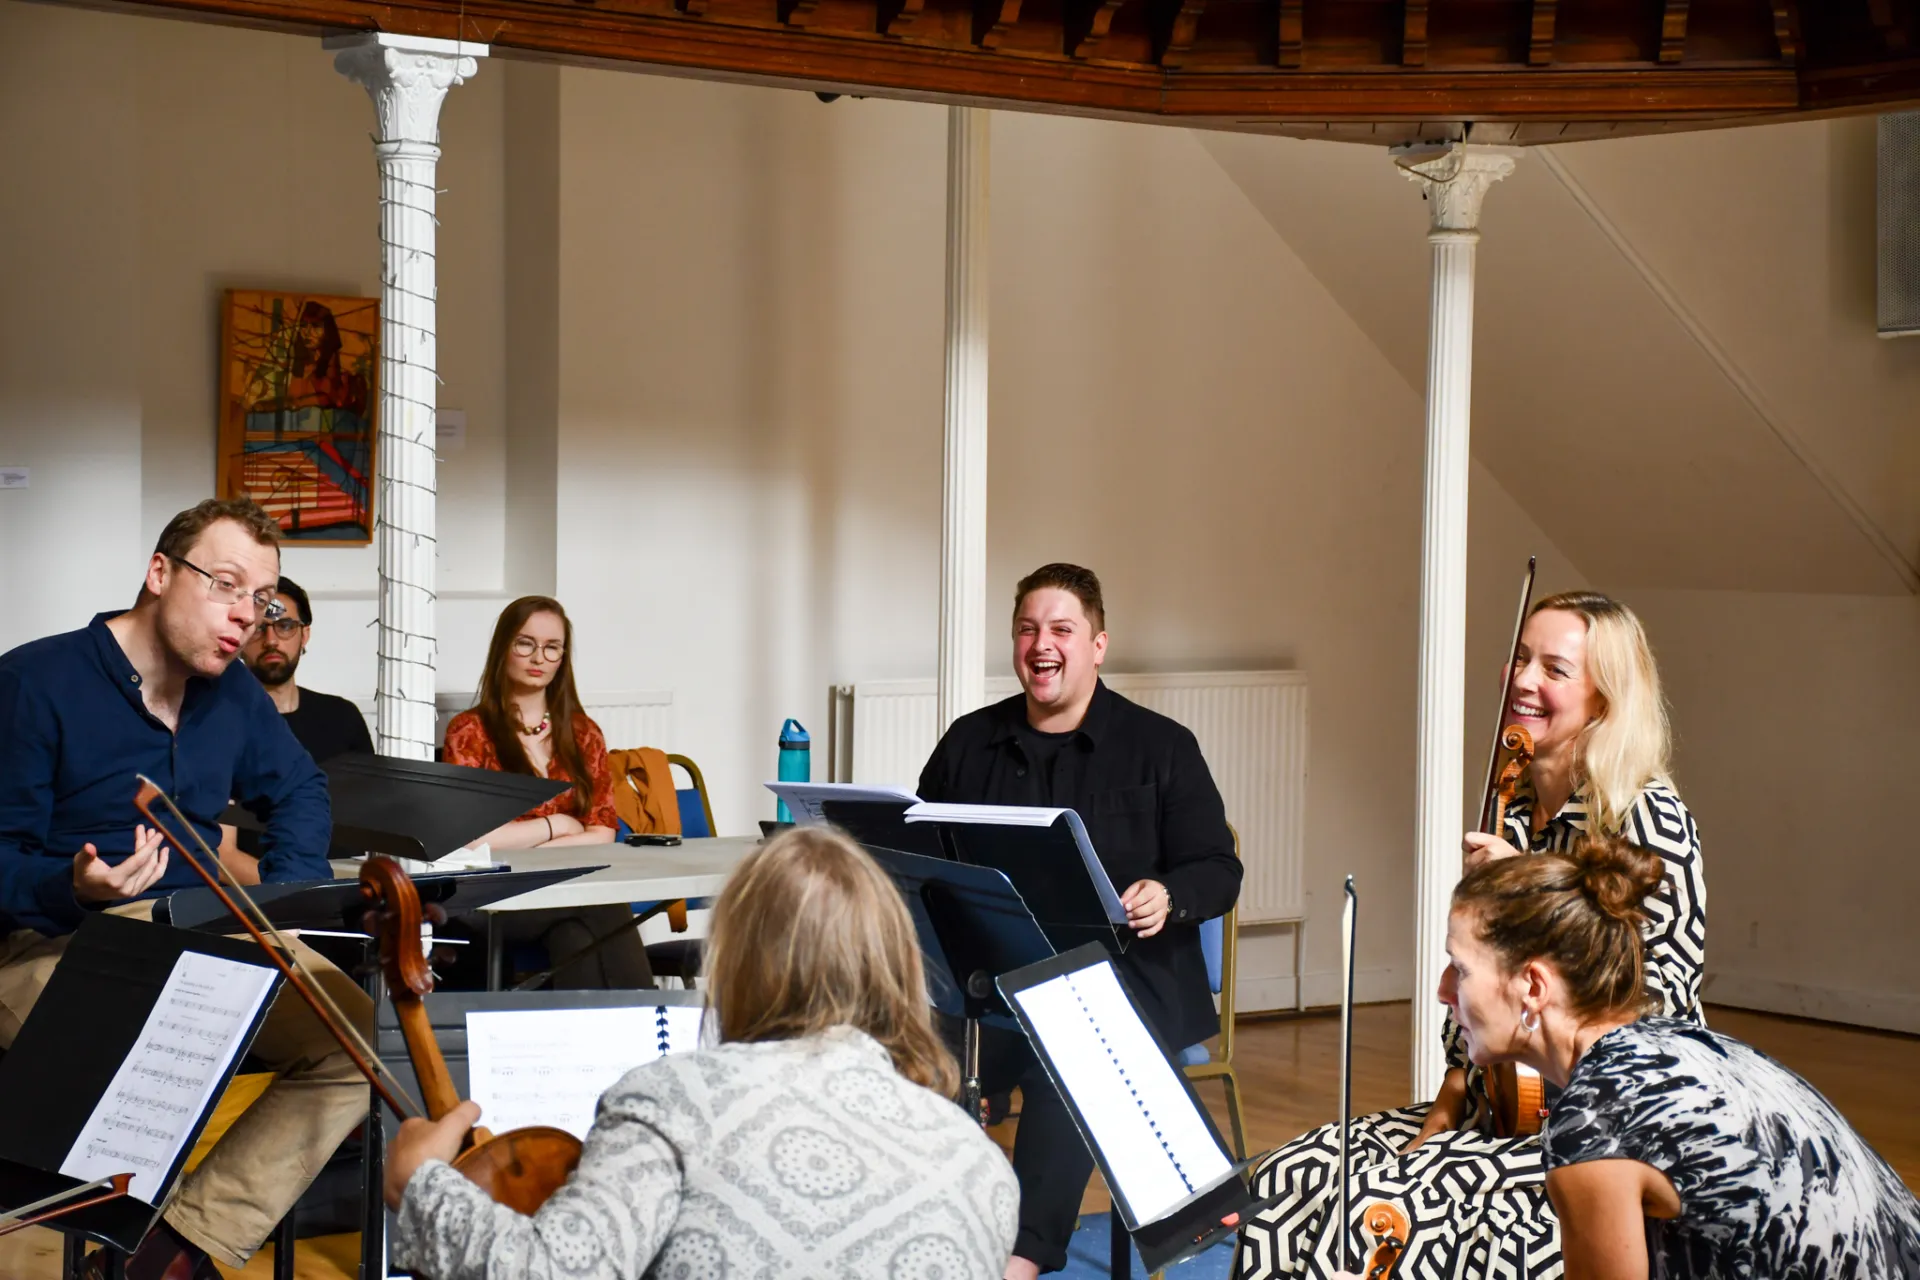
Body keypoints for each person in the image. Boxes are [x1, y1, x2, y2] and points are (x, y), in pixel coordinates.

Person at [1239, 590, 1708, 1280]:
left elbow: (1654, 1011)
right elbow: (1479, 989)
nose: (1523, 680)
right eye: (1520, 658)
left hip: (1603, 1131)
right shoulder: (1514, 801)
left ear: (1605, 699)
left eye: (1554, 669)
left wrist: (1538, 901)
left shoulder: (1648, 820)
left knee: (1377, 1207)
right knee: (1287, 1177)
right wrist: (1449, 1101)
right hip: (1496, 1110)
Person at [382, 825, 1020, 1279]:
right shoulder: (980, 1164)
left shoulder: (669, 1102)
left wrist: (422, 1187)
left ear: (736, 962)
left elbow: (550, 1271)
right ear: (895, 966)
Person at [0, 497, 369, 1280]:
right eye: (227, 586)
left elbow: (300, 787)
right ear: (160, 573)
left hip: (196, 938)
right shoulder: (35, 681)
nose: (248, 619)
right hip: (50, 943)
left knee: (357, 1041)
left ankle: (174, 1252)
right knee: (176, 1033)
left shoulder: (230, 693)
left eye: (263, 601)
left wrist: (288, 901)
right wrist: (72, 887)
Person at [918, 563, 1242, 1279]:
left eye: (1062, 629)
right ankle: (923, 1238)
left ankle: (1021, 1259)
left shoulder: (1162, 747)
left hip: (1131, 984)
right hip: (994, 982)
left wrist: (1167, 893)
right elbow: (922, 853)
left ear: (1098, 644)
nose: (1043, 645)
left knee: (1067, 1051)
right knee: (904, 1054)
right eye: (1029, 629)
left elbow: (1219, 869)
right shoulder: (968, 743)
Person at [1439, 837, 1920, 1277]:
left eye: (1459, 969)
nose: (1443, 992)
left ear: (1534, 986)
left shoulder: (1594, 1120)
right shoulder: (1669, 1040)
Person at [443, 596, 649, 988]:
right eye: (525, 643)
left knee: (575, 934)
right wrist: (559, 825)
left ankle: (596, 1046)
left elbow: (604, 832)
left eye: (552, 647)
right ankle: (652, 1033)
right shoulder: (469, 732)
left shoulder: (584, 733)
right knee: (602, 909)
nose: (538, 657)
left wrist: (523, 845)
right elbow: (473, 841)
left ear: (562, 658)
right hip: (493, 896)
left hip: (565, 891)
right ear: (503, 647)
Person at [240, 576, 374, 764]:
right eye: (258, 628)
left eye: (285, 626)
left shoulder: (343, 719)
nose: (271, 640)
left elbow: (369, 793)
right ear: (239, 637)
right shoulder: (214, 722)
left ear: (304, 635)